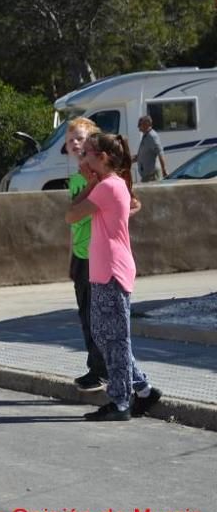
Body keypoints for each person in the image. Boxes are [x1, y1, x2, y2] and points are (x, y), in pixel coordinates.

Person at [66, 132, 162, 421]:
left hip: (112, 270)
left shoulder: (109, 186)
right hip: (103, 269)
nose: (84, 158)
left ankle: (121, 402)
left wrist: (92, 182)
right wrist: (92, 182)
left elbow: (71, 216)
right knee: (104, 335)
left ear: (103, 158)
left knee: (115, 339)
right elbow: (73, 213)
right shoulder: (106, 184)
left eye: (89, 153)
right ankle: (143, 389)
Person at [65, 118, 109, 392]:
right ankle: (95, 368)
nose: (75, 144)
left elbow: (78, 216)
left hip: (98, 254)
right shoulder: (75, 179)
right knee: (85, 314)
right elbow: (74, 221)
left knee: (98, 316)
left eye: (80, 138)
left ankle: (103, 370)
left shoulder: (102, 177)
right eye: (70, 141)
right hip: (81, 254)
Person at [134, 115, 167, 182]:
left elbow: (160, 152)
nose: (138, 126)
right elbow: (143, 155)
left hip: (152, 175)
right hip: (147, 175)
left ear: (147, 123)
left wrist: (164, 169)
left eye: (140, 124)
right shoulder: (145, 136)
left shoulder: (152, 136)